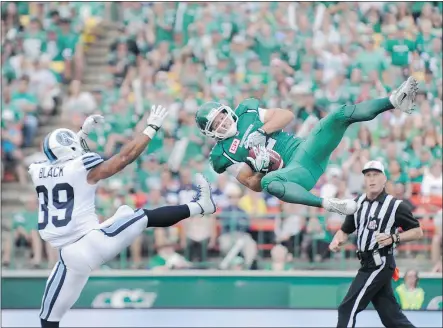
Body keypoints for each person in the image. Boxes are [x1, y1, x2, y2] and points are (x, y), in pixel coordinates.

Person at [28, 106, 216, 328]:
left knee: (48, 319)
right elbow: (124, 157)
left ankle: (199, 206)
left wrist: (81, 135)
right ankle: (200, 206)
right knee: (141, 216)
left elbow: (60, 160)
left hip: (67, 256)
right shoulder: (79, 167)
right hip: (92, 243)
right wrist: (151, 128)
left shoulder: (37, 170)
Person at [195, 77, 418, 216]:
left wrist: (261, 131)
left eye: (221, 116)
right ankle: (329, 204)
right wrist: (261, 168)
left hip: (306, 149)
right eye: (215, 124)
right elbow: (253, 184)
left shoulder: (247, 112)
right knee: (270, 182)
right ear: (210, 132)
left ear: (227, 110)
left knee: (338, 115)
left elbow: (286, 115)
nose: (222, 122)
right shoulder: (223, 154)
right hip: (295, 173)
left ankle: (394, 101)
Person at [329, 160, 423, 328]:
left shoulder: (394, 205)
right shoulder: (357, 204)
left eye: (376, 174)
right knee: (391, 318)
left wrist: (394, 238)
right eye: (368, 175)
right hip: (367, 263)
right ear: (364, 179)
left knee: (347, 308)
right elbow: (345, 230)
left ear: (384, 179)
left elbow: (418, 231)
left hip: (379, 263)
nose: (372, 179)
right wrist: (337, 240)